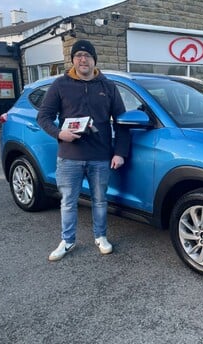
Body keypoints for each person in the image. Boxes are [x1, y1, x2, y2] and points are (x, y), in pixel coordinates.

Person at [37, 39, 130, 261]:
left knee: (100, 200)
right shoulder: (61, 85)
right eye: (78, 55)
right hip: (70, 156)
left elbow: (122, 122)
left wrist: (120, 152)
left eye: (87, 55)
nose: (82, 59)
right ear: (73, 60)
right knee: (68, 201)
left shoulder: (108, 87)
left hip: (100, 156)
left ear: (94, 59)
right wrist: (60, 133)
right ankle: (67, 241)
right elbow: (43, 116)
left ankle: (101, 237)